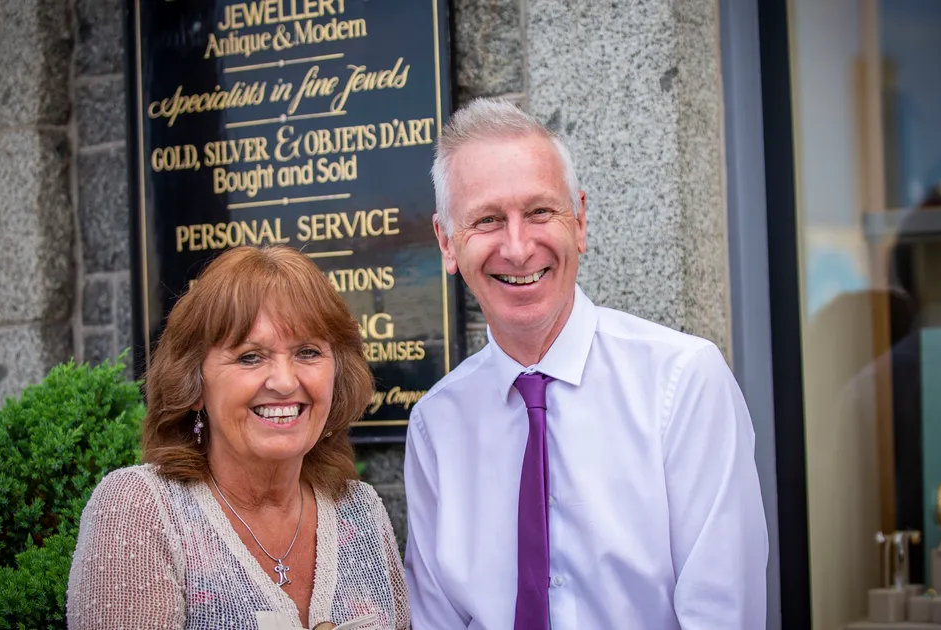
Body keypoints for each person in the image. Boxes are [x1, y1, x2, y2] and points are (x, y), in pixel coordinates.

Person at [403, 98, 768, 628]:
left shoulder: (684, 382)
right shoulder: (436, 424)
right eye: (486, 220)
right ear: (446, 242)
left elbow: (723, 612)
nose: (518, 247)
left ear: (580, 220)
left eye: (539, 212)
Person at [67, 246, 409, 630]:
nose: (284, 381)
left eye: (308, 352)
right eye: (250, 356)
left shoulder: (361, 513)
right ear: (193, 385)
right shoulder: (142, 510)